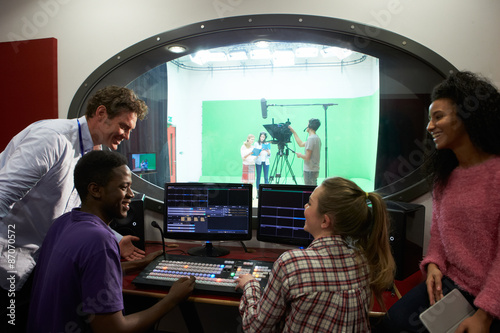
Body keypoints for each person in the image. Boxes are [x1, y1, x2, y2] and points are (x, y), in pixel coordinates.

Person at [0, 86, 148, 332]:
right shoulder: (51, 139)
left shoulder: (92, 153)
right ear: (101, 113)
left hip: (34, 266)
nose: (127, 135)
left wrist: (117, 238)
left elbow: (79, 212)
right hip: (7, 264)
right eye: (124, 126)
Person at [379, 71, 500, 332]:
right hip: (452, 285)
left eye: (438, 117)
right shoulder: (446, 177)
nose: (429, 127)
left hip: (492, 298)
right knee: (392, 323)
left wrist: (485, 314)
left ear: (468, 117)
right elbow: (439, 235)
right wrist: (434, 265)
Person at [27, 150, 195, 332]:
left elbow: (83, 274)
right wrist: (172, 299)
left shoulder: (63, 222)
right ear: (95, 190)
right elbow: (113, 329)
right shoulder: (99, 240)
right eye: (124, 187)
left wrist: (139, 264)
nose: (131, 194)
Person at [236, 177, 395, 332]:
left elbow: (255, 328)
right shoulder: (363, 261)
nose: (305, 205)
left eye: (310, 203)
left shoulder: (291, 263)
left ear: (325, 221)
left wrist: (251, 285)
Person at [289, 118, 321, 185]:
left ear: (310, 126)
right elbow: (300, 144)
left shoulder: (311, 139)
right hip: (314, 170)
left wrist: (300, 155)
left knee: (309, 191)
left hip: (309, 170)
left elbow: (307, 157)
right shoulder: (316, 138)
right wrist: (294, 132)